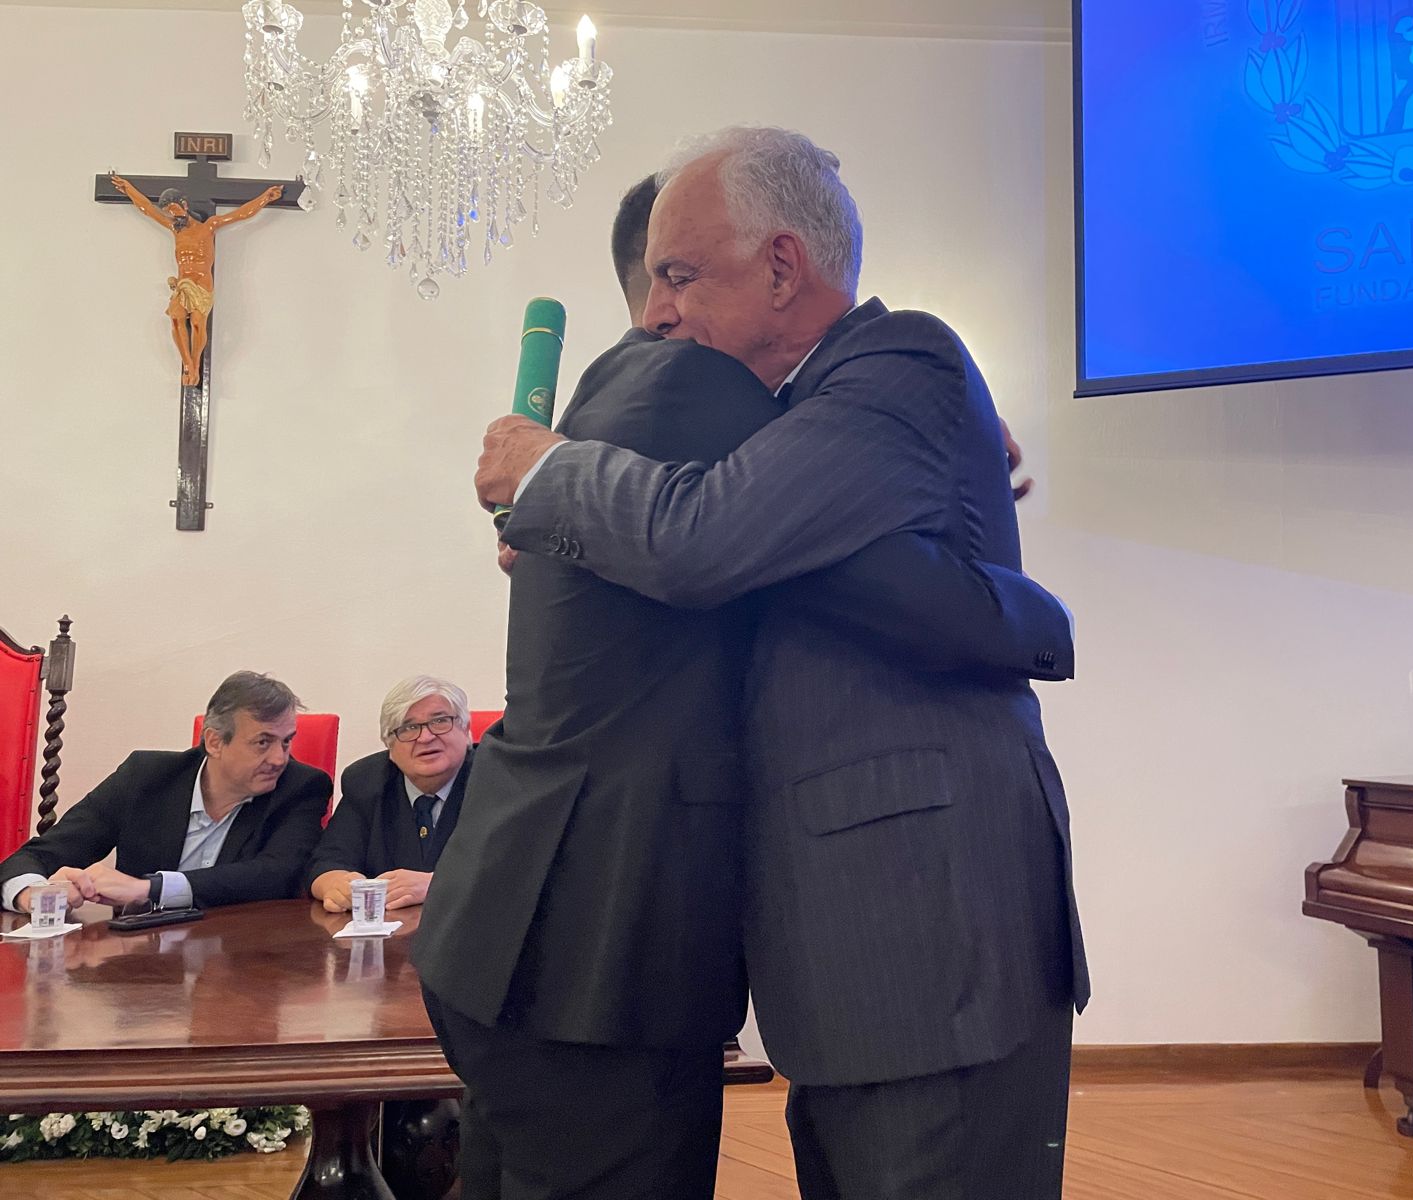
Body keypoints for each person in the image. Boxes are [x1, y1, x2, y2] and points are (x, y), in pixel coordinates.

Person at [415, 168, 1075, 1199]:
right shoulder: (694, 396)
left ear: (779, 266)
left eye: (684, 276)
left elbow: (715, 539)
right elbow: (714, 538)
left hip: (905, 939)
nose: (665, 309)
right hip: (618, 948)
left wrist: (946, 467)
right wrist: (1022, 605)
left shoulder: (870, 370)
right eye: (658, 279)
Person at [0, 671, 330, 914]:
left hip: (243, 964)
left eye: (286, 741)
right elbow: (38, 856)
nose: (279, 758)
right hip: (139, 966)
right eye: (263, 742)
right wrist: (32, 894)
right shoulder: (145, 777)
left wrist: (149, 889)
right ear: (215, 742)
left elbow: (278, 875)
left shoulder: (301, 788)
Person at [306, 675, 475, 913]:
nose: (425, 737)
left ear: (465, 729)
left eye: (439, 721)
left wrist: (438, 885)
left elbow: (518, 870)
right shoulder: (366, 782)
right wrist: (335, 884)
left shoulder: (497, 781)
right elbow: (327, 861)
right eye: (409, 727)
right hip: (389, 931)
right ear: (390, 747)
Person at [106, 174, 283, 386]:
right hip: (183, 283)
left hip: (201, 283)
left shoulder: (209, 226)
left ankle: (195, 363)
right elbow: (147, 209)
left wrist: (265, 198)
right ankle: (188, 364)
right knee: (175, 317)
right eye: (169, 213)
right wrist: (129, 189)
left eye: (175, 210)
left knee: (198, 323)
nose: (173, 216)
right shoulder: (175, 229)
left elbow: (241, 214)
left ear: (185, 205)